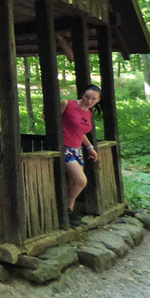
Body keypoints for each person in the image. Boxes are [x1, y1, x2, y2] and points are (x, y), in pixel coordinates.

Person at [62, 84, 101, 227]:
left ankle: (68, 212)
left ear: (97, 100)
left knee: (73, 182)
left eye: (93, 99)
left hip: (77, 149)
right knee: (81, 181)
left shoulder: (89, 112)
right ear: (82, 94)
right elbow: (49, 118)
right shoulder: (67, 104)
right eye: (86, 97)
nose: (88, 101)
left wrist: (89, 147)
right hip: (65, 147)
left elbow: (80, 131)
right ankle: (66, 211)